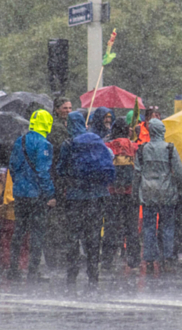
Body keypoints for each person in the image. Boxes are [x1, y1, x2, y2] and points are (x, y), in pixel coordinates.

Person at [57, 112, 115, 288]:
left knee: (74, 236)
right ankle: (93, 274)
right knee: (94, 235)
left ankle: (72, 273)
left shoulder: (68, 144)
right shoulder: (97, 140)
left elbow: (60, 170)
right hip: (98, 196)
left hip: (76, 197)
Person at [133, 119, 182, 274]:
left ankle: (149, 258)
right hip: (167, 192)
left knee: (149, 226)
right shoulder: (169, 149)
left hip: (148, 192)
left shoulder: (142, 149)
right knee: (168, 226)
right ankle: (167, 257)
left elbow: (137, 173)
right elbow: (179, 172)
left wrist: (135, 193)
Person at [7, 110, 56, 282]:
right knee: (37, 233)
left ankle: (13, 268)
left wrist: (19, 184)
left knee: (19, 230)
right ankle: (33, 271)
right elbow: (43, 172)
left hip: (20, 193)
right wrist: (50, 193)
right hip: (37, 195)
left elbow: (12, 167)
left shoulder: (19, 141)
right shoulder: (44, 144)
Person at [103, 117, 141, 271]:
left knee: (111, 226)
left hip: (112, 193)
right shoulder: (135, 147)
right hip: (130, 193)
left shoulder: (108, 146)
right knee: (131, 227)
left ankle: (107, 259)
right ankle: (134, 259)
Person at [44, 97, 72, 269]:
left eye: (70, 108)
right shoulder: (56, 129)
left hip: (61, 179)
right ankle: (54, 258)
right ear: (56, 109)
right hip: (56, 178)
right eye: (65, 108)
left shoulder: (67, 127)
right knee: (55, 220)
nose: (68, 111)